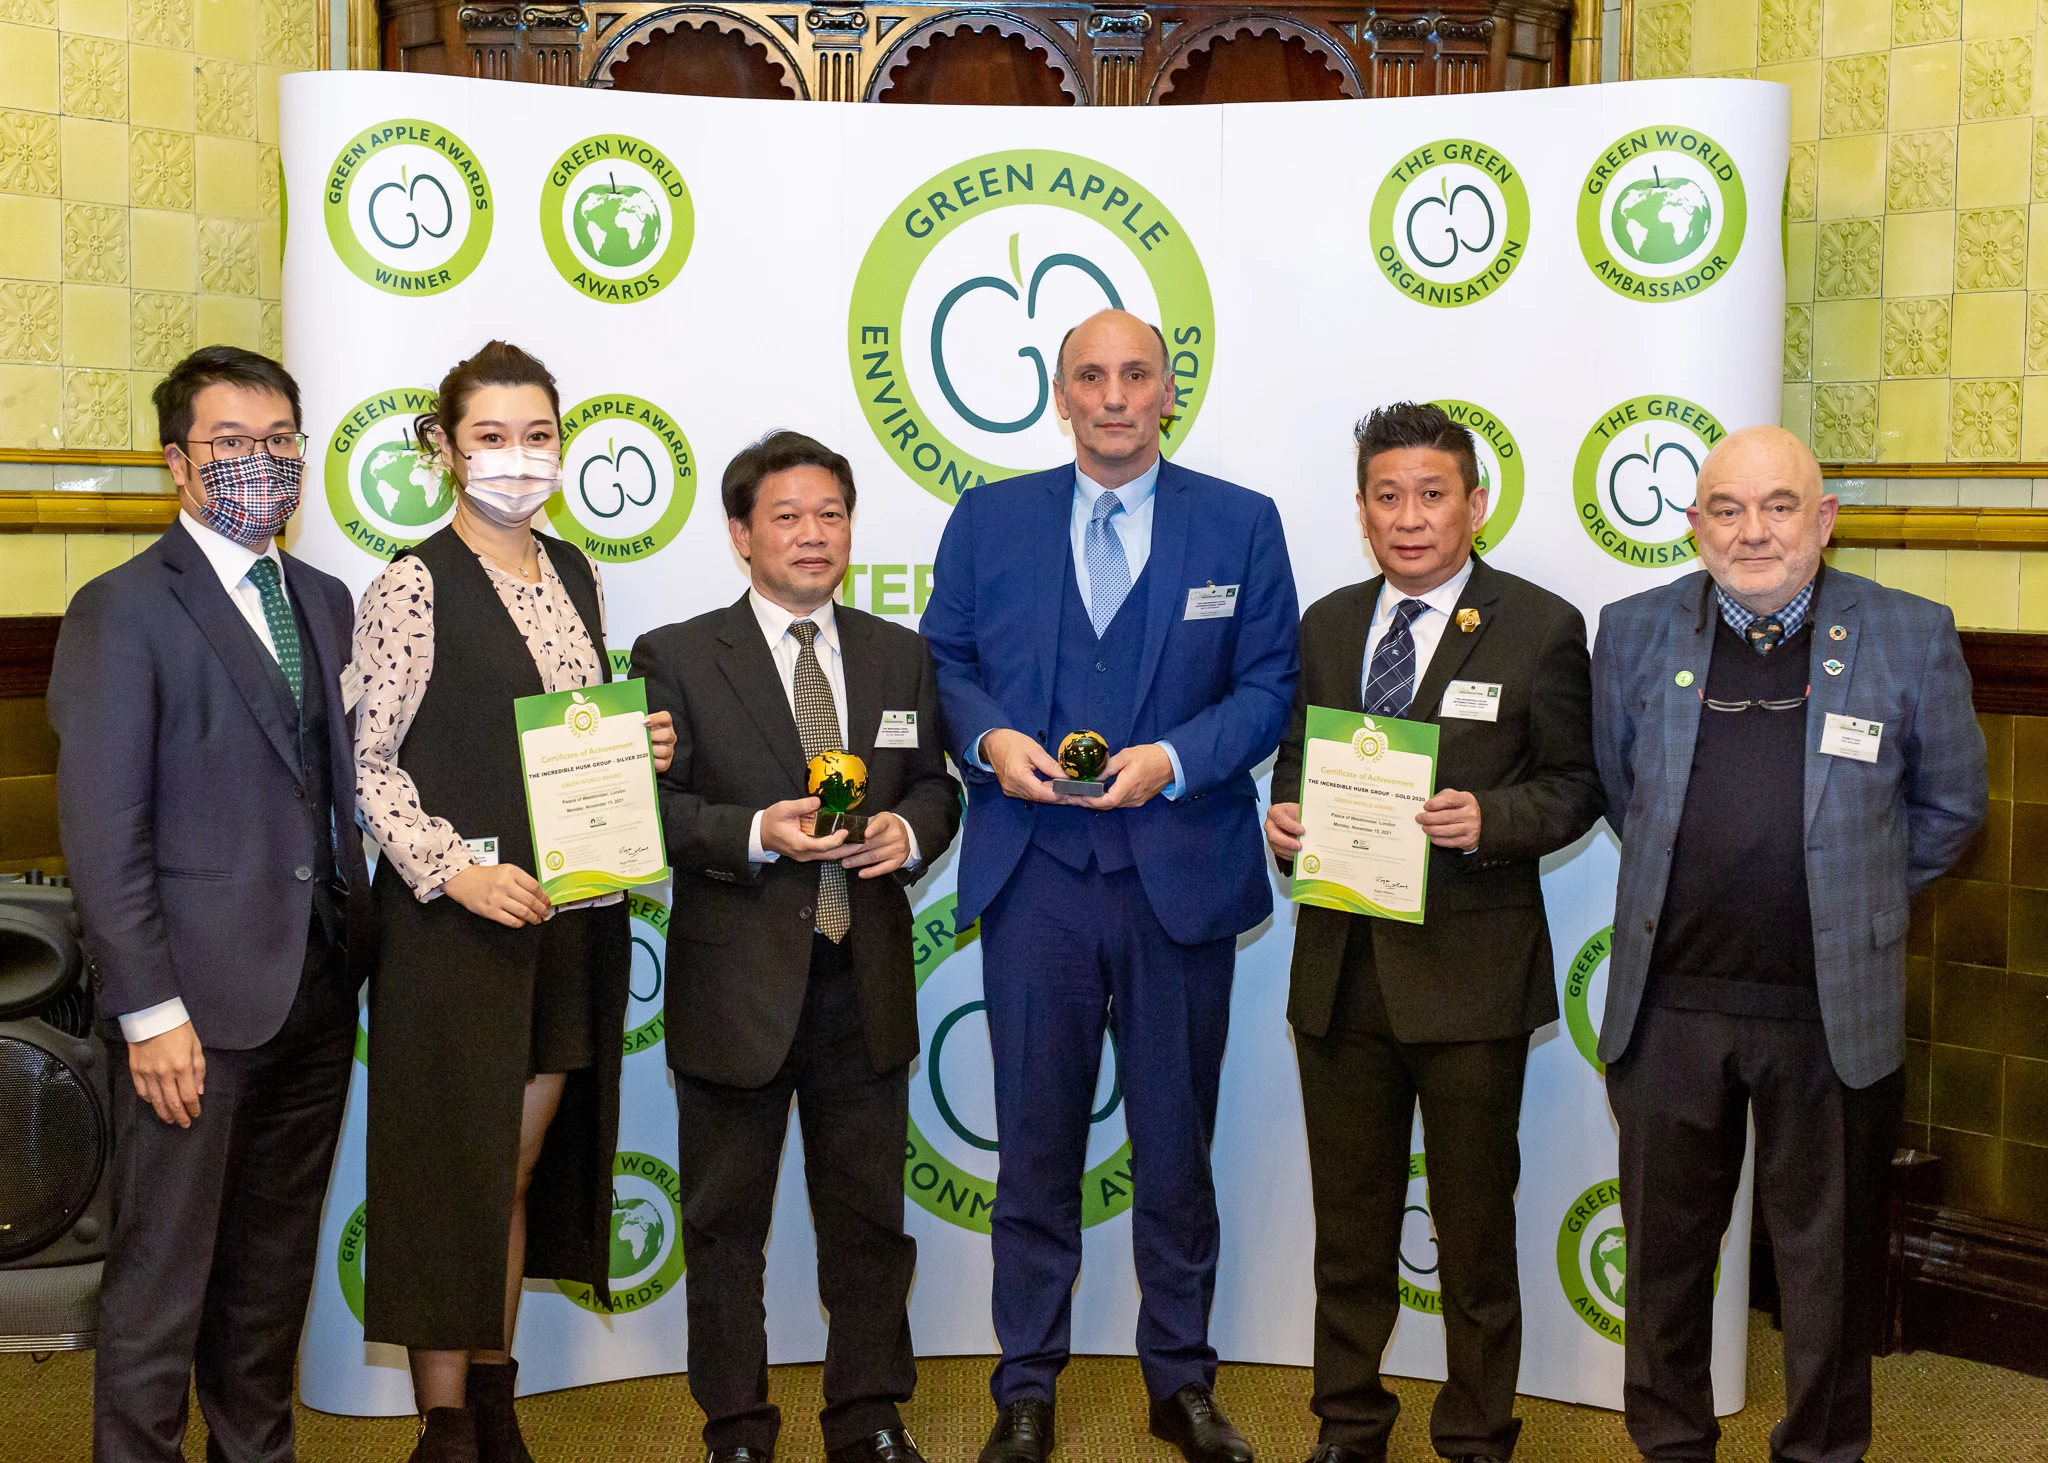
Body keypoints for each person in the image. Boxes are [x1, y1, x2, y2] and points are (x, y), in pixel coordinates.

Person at [922, 309, 1299, 1463]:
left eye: (1135, 373)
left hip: (1176, 877)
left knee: (1175, 1146)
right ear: (1059, 394)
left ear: (1167, 390)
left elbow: (1270, 681)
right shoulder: (986, 520)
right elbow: (945, 660)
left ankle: (1178, 1378)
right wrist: (987, 742)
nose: (1114, 395)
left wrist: (1174, 759)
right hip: (1034, 875)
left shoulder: (1238, 524)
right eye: (1091, 375)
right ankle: (1024, 1383)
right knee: (1033, 1142)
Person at [1591, 425, 1986, 1463]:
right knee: (1663, 1263)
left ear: (1822, 519)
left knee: (1824, 1268)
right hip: (1668, 1003)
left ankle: (1816, 1451)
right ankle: (1669, 1441)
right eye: (1724, 507)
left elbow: (1950, 808)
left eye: (1776, 506)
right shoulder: (1630, 631)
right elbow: (1618, 785)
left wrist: (1845, 900)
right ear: (1691, 525)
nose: (1750, 529)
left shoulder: (1907, 631)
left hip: (1827, 1010)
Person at [347, 341, 676, 1463]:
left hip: (568, 919)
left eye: (537, 435)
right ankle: (443, 1425)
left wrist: (643, 744)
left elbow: (569, 737)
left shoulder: (577, 572)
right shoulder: (411, 582)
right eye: (491, 436)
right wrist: (453, 868)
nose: (518, 459)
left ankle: (495, 1396)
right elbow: (368, 762)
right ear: (445, 448)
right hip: (455, 929)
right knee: (459, 1165)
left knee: (518, 1162)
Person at [1264, 403, 1604, 1463]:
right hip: (1341, 974)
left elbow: (1577, 783)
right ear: (1361, 508)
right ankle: (1347, 1423)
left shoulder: (1537, 624)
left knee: (1473, 1234)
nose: (1408, 518)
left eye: (1430, 494)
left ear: (1473, 502)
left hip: (1468, 981)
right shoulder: (1323, 624)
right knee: (1349, 1229)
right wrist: (1282, 823)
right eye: (1386, 496)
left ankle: (1474, 1434)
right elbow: (1294, 763)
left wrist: (1488, 818)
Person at [49, 346, 370, 1463]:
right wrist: (150, 1012)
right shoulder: (121, 609)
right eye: (232, 445)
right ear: (179, 465)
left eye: (281, 441)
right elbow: (102, 832)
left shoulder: (324, 600)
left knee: (265, 1286)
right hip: (190, 1015)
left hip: (319, 996)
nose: (261, 465)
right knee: (159, 1290)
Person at [631, 430, 960, 1463]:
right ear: (739, 534)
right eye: (787, 516)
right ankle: (734, 1423)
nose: (812, 534)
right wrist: (750, 831)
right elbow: (648, 806)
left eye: (830, 514)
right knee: (725, 1224)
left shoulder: (896, 652)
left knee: (866, 1218)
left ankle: (867, 1412)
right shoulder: (676, 654)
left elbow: (936, 783)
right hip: (736, 986)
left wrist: (911, 832)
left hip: (858, 979)